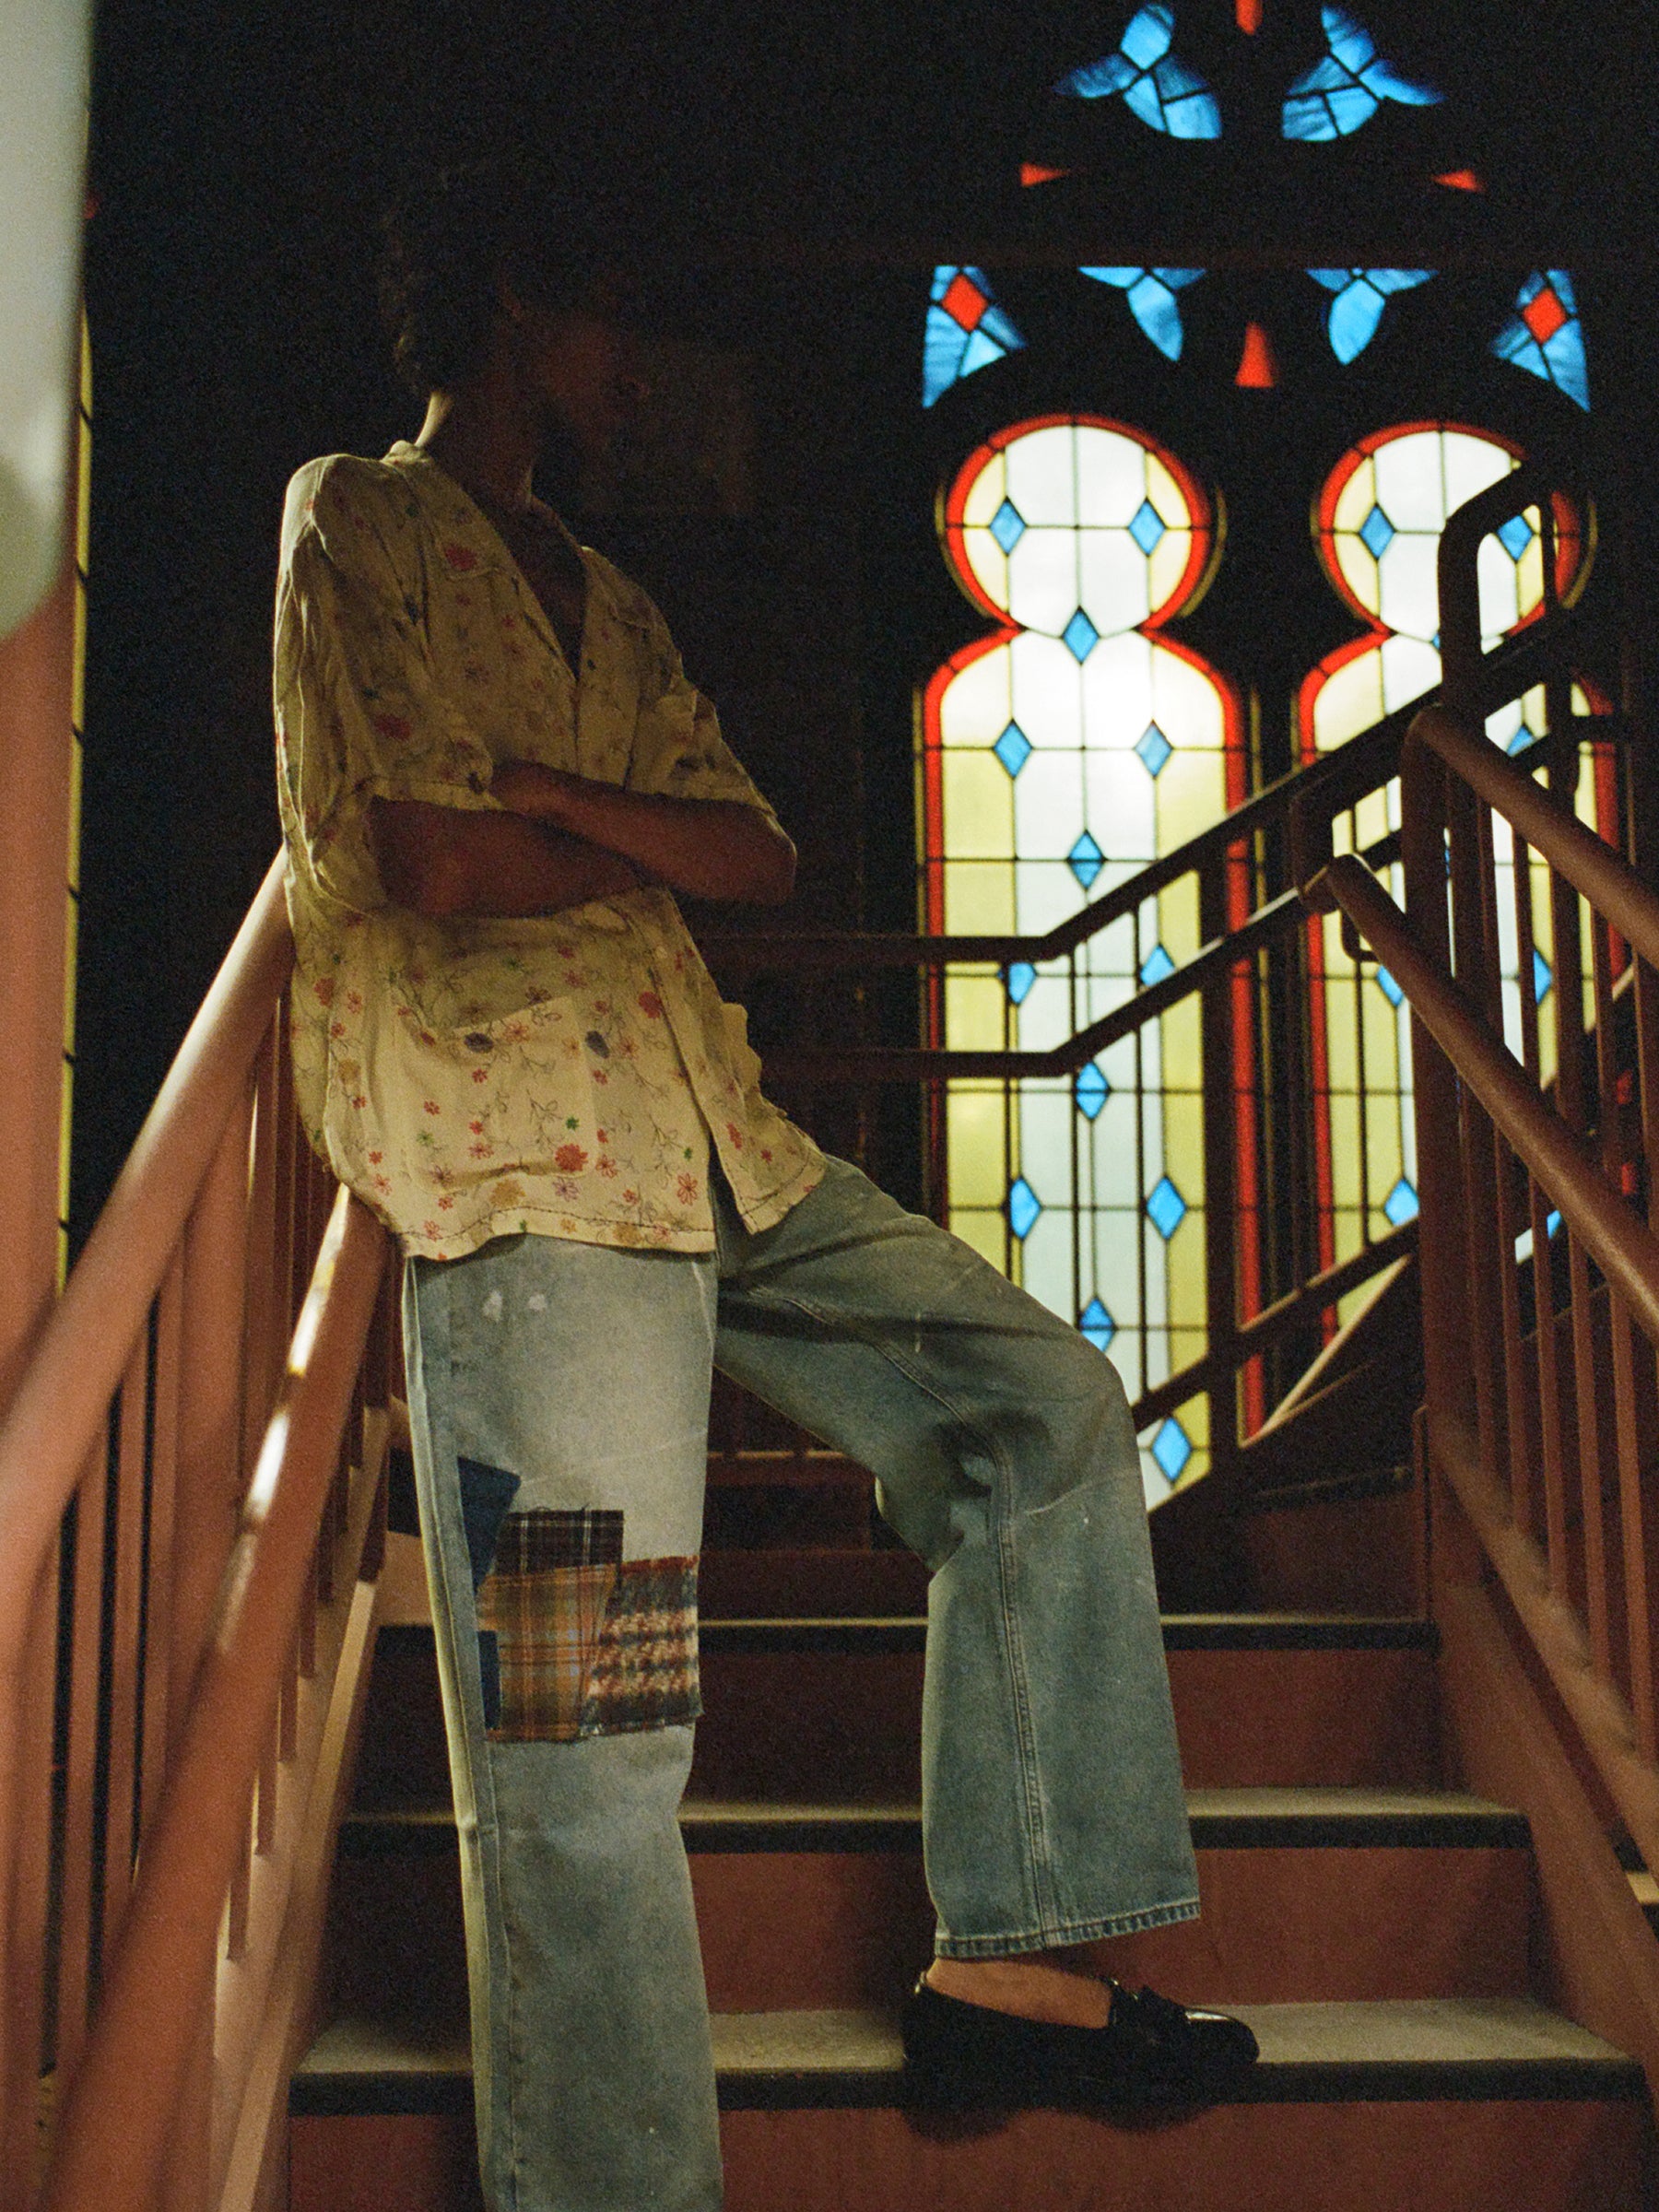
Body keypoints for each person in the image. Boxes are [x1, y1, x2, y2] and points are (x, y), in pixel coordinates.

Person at [273, 160, 1255, 2212]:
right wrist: (592, 823)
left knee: (1044, 1408)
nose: (641, 372)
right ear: (522, 303)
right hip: (530, 1205)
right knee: (590, 1749)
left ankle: (1017, 1949)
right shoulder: (358, 522)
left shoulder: (608, 601)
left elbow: (763, 856)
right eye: (615, 319)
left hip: (722, 1149)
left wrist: (547, 793)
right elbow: (423, 862)